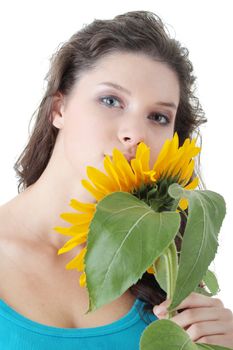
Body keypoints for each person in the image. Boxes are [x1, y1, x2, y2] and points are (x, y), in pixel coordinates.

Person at [0, 10, 232, 349]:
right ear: (59, 109)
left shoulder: (166, 271)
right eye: (111, 101)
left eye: (158, 117)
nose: (135, 134)